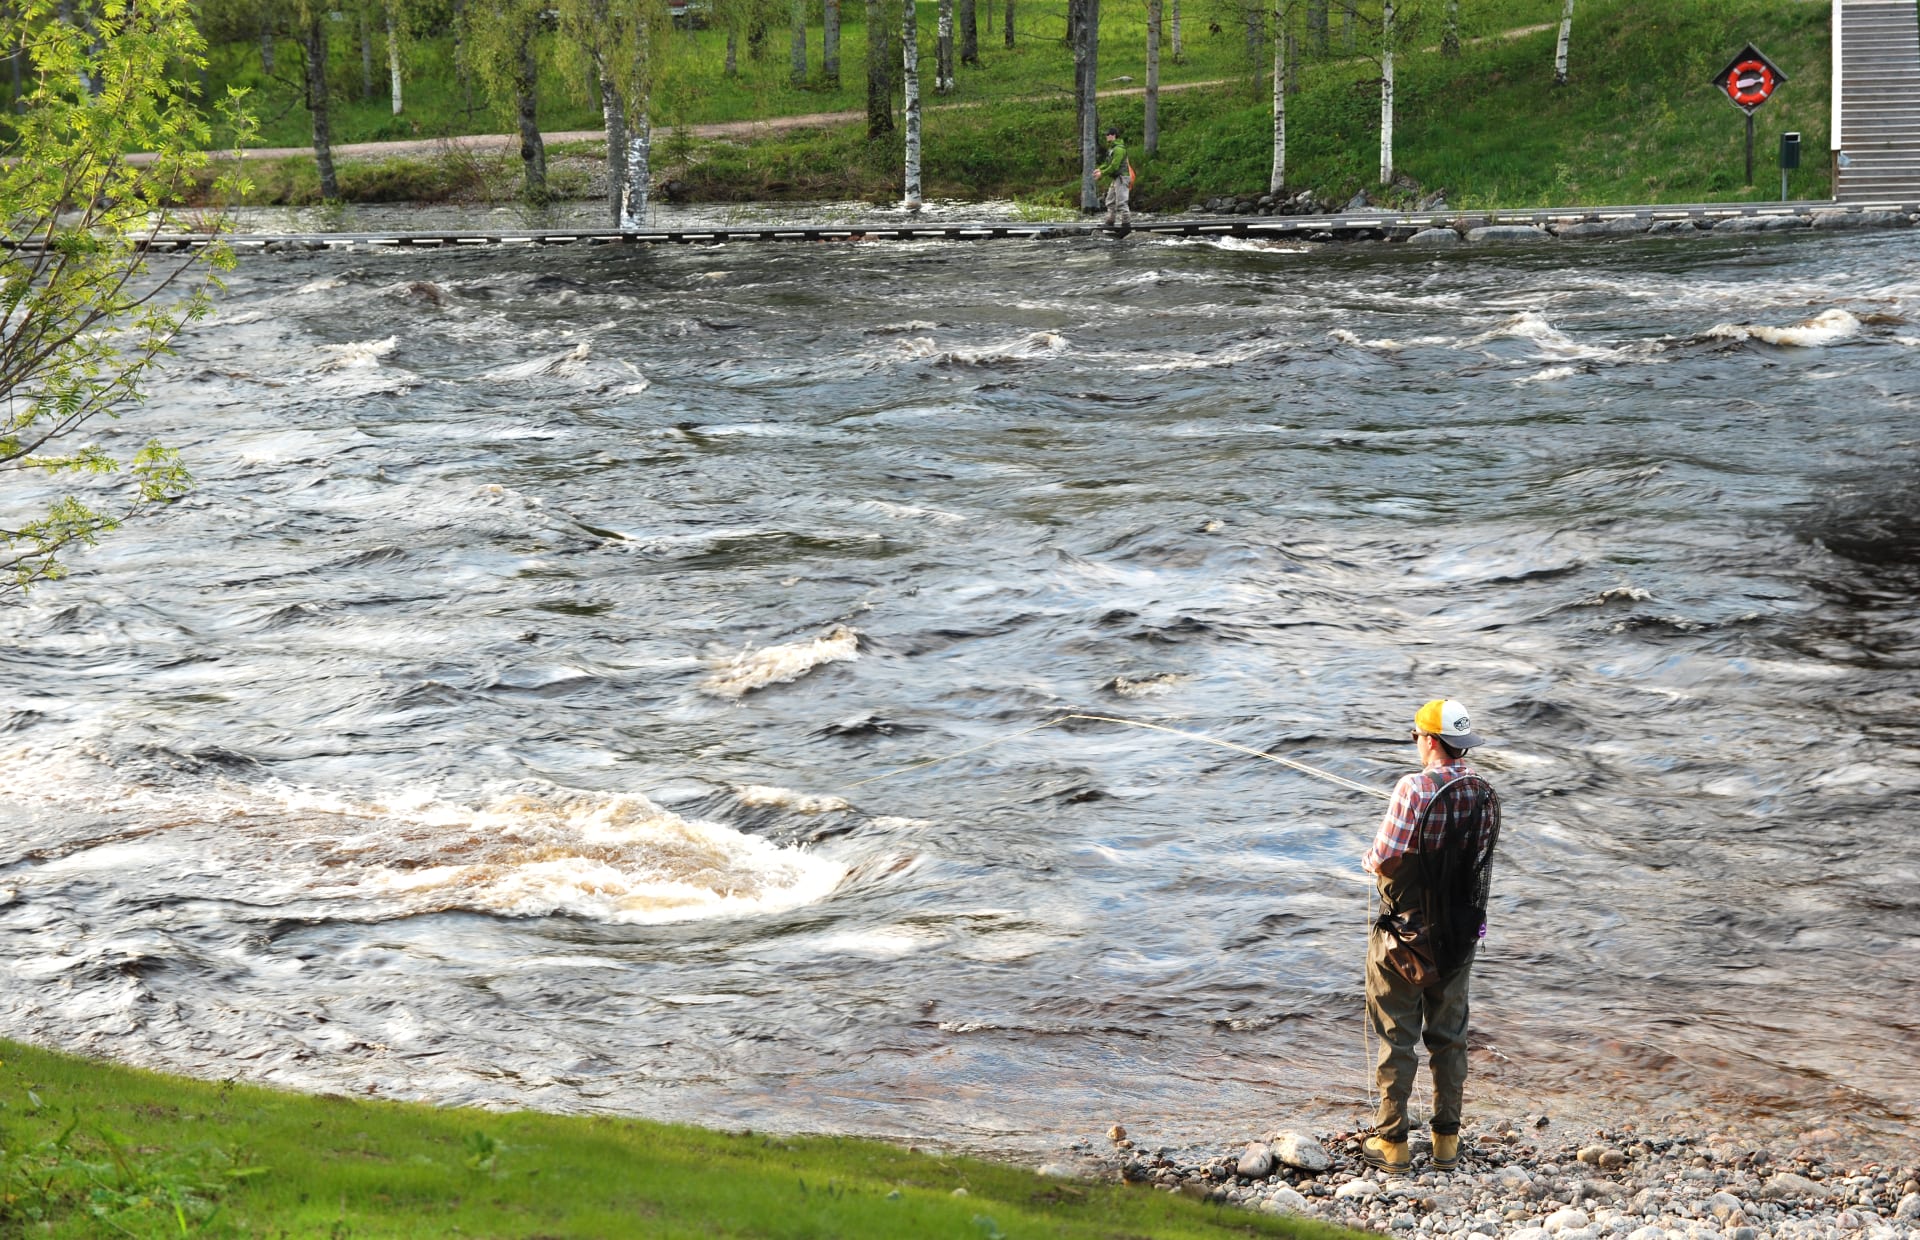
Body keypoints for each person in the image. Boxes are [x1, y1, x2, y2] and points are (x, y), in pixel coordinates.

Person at [1359, 699, 1502, 1175]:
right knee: (1450, 1036)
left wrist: (1368, 857)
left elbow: (1380, 858)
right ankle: (1446, 1143)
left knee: (1396, 1038)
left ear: (1429, 740)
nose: (1418, 744)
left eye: (1418, 736)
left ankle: (1394, 1145)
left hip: (1404, 936)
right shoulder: (1480, 789)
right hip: (1458, 934)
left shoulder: (1411, 788)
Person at [1093, 126, 1131, 229]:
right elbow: (1107, 163)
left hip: (1122, 178)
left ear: (1113, 135)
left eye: (1107, 134)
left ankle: (1126, 225)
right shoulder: (1112, 148)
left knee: (1122, 202)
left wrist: (1102, 174)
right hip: (1116, 178)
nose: (1106, 136)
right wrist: (1099, 169)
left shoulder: (1119, 149)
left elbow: (1115, 166)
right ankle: (1110, 222)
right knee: (1109, 200)